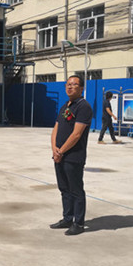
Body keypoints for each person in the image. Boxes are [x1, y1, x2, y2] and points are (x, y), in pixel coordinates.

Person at [49, 75, 93, 236]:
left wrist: (61, 151)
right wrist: (54, 149)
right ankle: (67, 218)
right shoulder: (65, 106)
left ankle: (78, 223)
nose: (70, 87)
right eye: (68, 84)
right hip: (59, 155)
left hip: (73, 156)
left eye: (74, 84)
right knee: (64, 189)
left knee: (76, 190)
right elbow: (56, 128)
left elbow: (76, 134)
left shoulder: (83, 107)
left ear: (81, 88)